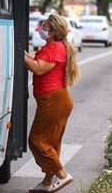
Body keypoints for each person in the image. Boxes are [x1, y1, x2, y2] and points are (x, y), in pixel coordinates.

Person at [24, 14, 81, 193]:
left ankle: (62, 175)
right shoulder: (52, 46)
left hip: (53, 100)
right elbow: (34, 59)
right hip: (55, 100)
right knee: (51, 142)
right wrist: (20, 48)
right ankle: (48, 182)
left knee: (37, 139)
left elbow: (37, 68)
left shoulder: (56, 48)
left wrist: (18, 52)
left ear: (54, 32)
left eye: (46, 27)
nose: (42, 29)